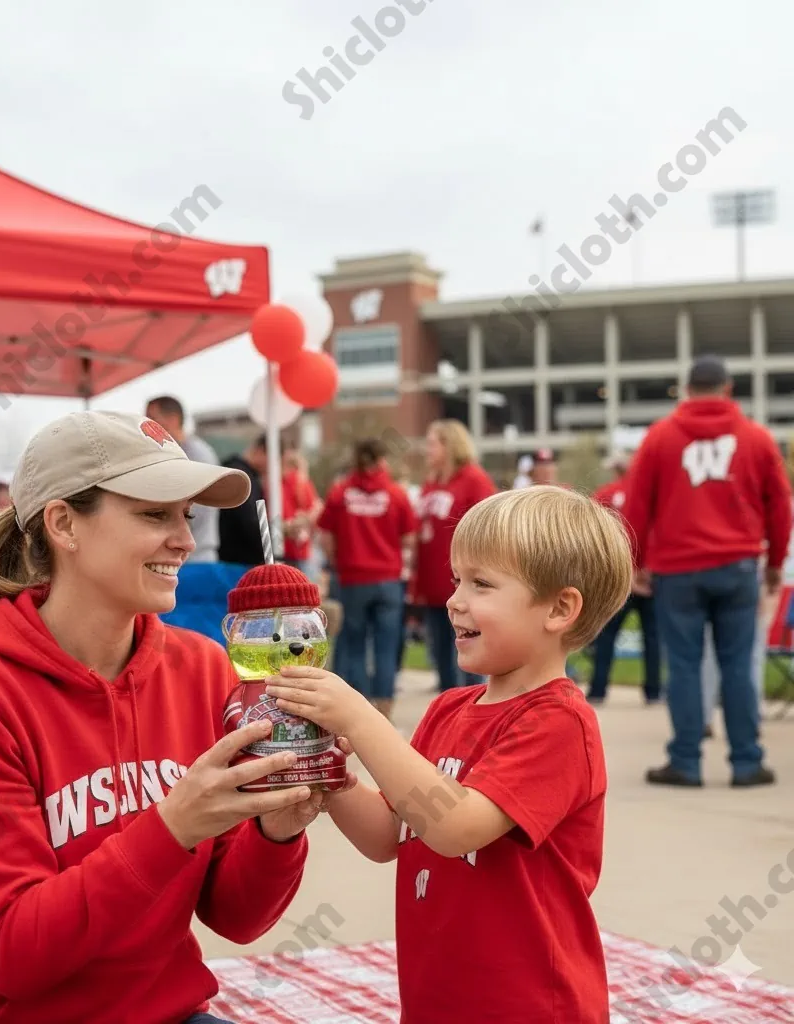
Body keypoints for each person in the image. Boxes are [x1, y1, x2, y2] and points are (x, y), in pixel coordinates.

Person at [0, 410, 330, 1024]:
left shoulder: (204, 670)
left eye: (187, 515)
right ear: (64, 524)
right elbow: (12, 955)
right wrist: (173, 824)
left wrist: (277, 829)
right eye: (155, 514)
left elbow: (237, 917)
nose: (184, 538)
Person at [265, 486, 633, 1023]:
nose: (454, 599)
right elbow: (391, 833)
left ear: (559, 608)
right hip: (438, 996)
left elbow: (455, 825)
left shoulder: (559, 723)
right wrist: (334, 777)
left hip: (530, 1005)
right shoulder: (447, 709)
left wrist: (359, 716)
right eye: (458, 578)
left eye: (481, 583)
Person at [626, 354, 793, 788]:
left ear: (686, 391)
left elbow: (637, 504)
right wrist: (774, 563)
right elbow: (780, 505)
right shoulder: (755, 438)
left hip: (677, 568)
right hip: (737, 564)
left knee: (683, 665)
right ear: (728, 389)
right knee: (737, 663)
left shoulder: (660, 437)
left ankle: (685, 761)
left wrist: (636, 561)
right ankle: (746, 762)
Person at [316, 438, 418, 721]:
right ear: (382, 460)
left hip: (353, 579)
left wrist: (338, 561)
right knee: (386, 645)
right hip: (388, 580)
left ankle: (359, 709)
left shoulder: (340, 493)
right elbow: (409, 538)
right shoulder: (396, 493)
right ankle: (385, 709)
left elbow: (325, 536)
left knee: (355, 644)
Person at [409, 419, 497, 691]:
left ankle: (474, 701)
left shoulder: (473, 478)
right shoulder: (431, 483)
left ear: (450, 445)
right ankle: (450, 707)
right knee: (441, 654)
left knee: (468, 649)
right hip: (432, 581)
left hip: (461, 581)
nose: (427, 450)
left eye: (433, 443)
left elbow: (489, 526)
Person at [587, 450, 662, 705]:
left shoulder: (604, 494)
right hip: (648, 576)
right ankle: (653, 691)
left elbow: (592, 536)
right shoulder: (652, 494)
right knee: (652, 637)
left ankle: (598, 689)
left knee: (606, 635)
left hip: (617, 575)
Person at [145, 396, 221, 562]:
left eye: (152, 418)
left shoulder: (197, 455)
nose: (146, 425)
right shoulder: (173, 454)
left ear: (173, 419)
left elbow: (195, 510)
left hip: (196, 557)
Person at [217, 434, 268, 566]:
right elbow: (250, 522)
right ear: (261, 450)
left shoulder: (239, 472)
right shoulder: (243, 477)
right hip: (238, 562)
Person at [280, 445, 322, 577]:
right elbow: (316, 513)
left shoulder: (279, 484)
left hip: (283, 546)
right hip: (301, 547)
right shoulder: (304, 483)